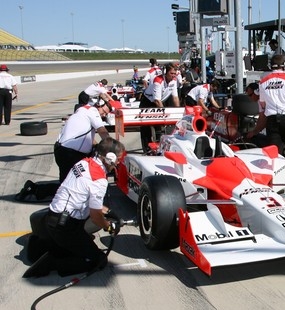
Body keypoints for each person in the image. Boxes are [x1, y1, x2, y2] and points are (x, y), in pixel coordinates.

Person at [23, 137, 126, 278]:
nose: (119, 162)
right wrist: (109, 227)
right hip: (65, 226)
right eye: (118, 159)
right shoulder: (99, 180)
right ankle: (52, 264)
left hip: (54, 216)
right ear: (110, 158)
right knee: (99, 260)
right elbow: (95, 217)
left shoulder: (84, 162)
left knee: (81, 242)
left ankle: (44, 245)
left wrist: (110, 212)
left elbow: (88, 200)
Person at [54, 100, 112, 182]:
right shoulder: (93, 111)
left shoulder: (82, 110)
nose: (104, 115)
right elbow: (102, 131)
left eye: (106, 114)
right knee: (73, 183)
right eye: (104, 111)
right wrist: (112, 147)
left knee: (67, 181)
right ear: (99, 105)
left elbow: (85, 136)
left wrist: (96, 145)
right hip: (70, 154)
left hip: (62, 150)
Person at [139, 63, 180, 152]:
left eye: (174, 73)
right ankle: (146, 149)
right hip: (148, 102)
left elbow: (175, 98)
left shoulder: (174, 81)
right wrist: (164, 115)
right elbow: (157, 100)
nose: (173, 75)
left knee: (159, 127)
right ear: (165, 72)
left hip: (159, 101)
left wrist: (179, 112)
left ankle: (160, 145)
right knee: (146, 127)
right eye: (171, 73)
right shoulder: (158, 81)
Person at [244, 82, 268, 146]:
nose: (250, 98)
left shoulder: (261, 100)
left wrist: (254, 132)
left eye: (250, 95)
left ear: (256, 92)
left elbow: (263, 118)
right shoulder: (260, 99)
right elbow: (261, 117)